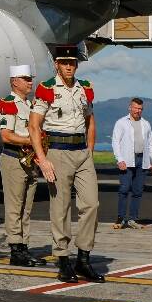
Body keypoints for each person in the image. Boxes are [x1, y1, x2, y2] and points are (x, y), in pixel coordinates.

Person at [28, 45, 104, 284]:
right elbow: (33, 126)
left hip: (81, 150)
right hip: (58, 151)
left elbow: (90, 121)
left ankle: (83, 257)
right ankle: (62, 259)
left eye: (72, 62)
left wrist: (89, 151)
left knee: (91, 204)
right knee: (60, 207)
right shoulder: (47, 88)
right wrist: (42, 159)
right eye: (64, 62)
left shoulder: (85, 89)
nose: (69, 66)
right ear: (57, 65)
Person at [0, 64, 46, 267]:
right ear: (14, 81)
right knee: (14, 207)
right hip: (14, 159)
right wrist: (33, 142)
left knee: (26, 208)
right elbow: (6, 135)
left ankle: (23, 247)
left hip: (29, 160)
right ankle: (16, 249)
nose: (30, 82)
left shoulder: (30, 105)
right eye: (26, 79)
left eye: (30, 79)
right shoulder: (8, 103)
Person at [112, 98, 152, 229]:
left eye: (140, 109)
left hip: (142, 160)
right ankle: (120, 219)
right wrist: (119, 159)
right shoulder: (121, 123)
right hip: (126, 161)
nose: (138, 111)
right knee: (124, 189)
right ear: (130, 108)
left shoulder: (146, 124)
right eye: (136, 108)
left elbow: (151, 143)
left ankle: (132, 219)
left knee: (137, 191)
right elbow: (115, 142)